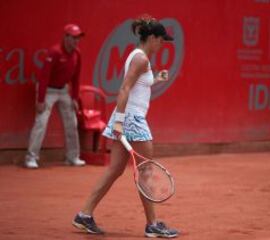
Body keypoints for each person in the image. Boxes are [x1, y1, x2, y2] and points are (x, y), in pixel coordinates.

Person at [72, 15, 179, 238]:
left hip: (126, 117)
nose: (162, 45)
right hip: (132, 119)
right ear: (151, 37)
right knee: (146, 171)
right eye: (161, 41)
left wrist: (157, 78)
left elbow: (139, 86)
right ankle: (152, 225)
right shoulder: (141, 59)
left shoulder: (138, 57)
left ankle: (84, 214)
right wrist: (120, 121)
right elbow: (124, 89)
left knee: (115, 170)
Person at [24, 24, 86, 169]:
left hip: (64, 90)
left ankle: (72, 157)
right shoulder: (54, 52)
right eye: (73, 37)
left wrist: (74, 98)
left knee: (72, 122)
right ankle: (31, 158)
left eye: (78, 37)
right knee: (41, 122)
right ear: (66, 37)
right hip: (48, 91)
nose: (76, 40)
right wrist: (40, 100)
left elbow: (76, 78)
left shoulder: (77, 54)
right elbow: (44, 77)